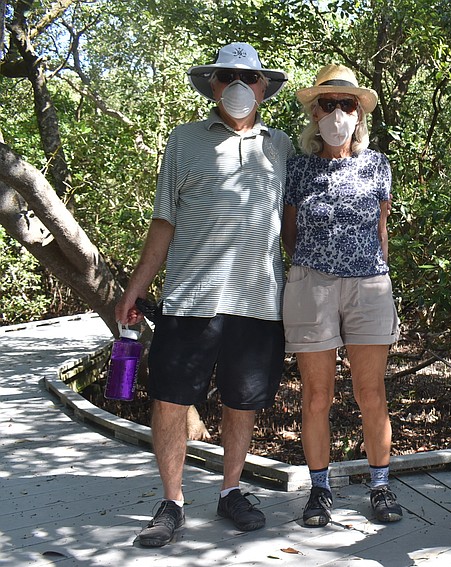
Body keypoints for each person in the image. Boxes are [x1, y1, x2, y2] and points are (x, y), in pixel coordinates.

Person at [114, 42, 294, 548]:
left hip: (259, 301)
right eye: (227, 76)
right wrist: (135, 288)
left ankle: (231, 490)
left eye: (248, 77)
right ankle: (172, 502)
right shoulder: (183, 140)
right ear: (212, 84)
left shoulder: (282, 146)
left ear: (263, 87)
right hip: (191, 298)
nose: (238, 85)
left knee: (243, 401)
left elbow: (291, 227)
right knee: (170, 399)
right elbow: (163, 221)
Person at [283, 63, 403, 527]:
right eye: (328, 104)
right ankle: (320, 490)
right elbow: (289, 233)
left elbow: (381, 230)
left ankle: (380, 485)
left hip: (369, 285)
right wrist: (317, 266)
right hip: (311, 285)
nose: (337, 112)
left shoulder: (377, 165)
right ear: (314, 113)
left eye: (346, 104)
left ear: (359, 113)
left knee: (371, 393)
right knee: (317, 396)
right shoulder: (297, 167)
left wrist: (375, 276)